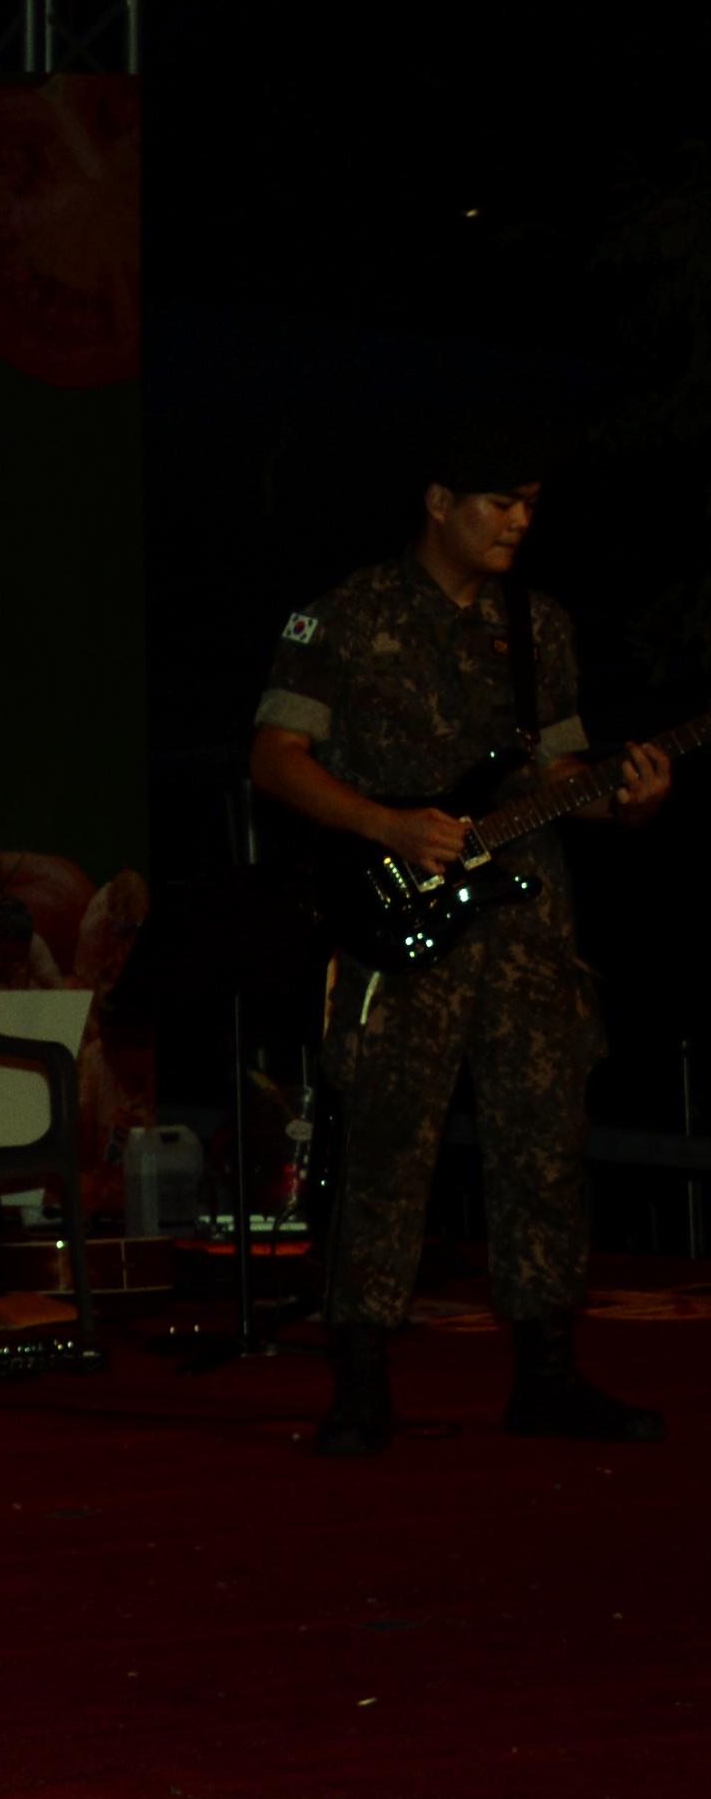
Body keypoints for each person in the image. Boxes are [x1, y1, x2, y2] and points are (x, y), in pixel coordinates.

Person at [251, 432, 671, 1457]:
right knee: (388, 1144)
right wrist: (382, 825)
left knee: (543, 1146)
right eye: (497, 502)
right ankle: (357, 1381)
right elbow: (271, 758)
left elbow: (559, 775)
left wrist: (624, 801)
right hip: (397, 921)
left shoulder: (540, 626)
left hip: (526, 929)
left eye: (527, 503)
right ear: (437, 501)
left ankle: (546, 1373)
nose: (517, 522)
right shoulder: (344, 615)